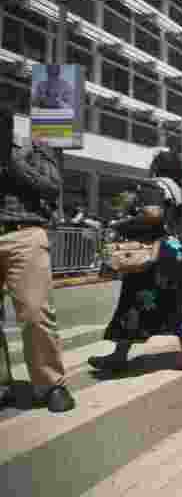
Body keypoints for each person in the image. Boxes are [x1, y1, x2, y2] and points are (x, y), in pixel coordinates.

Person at [89, 151, 182, 372]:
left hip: (157, 253)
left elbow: (153, 214)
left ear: (156, 167)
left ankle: (119, 356)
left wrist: (122, 224)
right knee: (179, 304)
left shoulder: (155, 185)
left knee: (133, 300)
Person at [0, 107, 75, 412]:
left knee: (34, 313)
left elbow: (51, 187)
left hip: (24, 233)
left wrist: (10, 161)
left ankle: (50, 384)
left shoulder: (32, 146)